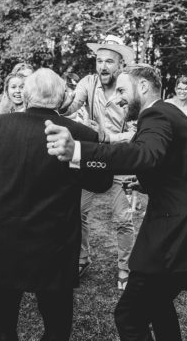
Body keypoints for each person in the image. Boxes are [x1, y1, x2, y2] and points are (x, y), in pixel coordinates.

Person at [45, 64, 187, 341]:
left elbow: (146, 154)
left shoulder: (156, 115)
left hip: (178, 235)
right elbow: (178, 166)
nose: (117, 98)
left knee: (129, 315)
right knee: (157, 305)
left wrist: (79, 151)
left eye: (121, 90)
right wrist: (146, 183)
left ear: (142, 87)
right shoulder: (170, 114)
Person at [0, 68, 112, 341]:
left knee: (1, 322)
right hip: (53, 244)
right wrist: (99, 145)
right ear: (61, 98)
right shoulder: (79, 133)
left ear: (28, 94)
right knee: (56, 324)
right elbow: (102, 183)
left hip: (3, 239)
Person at [58, 35, 137, 289]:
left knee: (123, 219)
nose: (103, 66)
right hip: (92, 160)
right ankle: (82, 258)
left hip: (120, 161)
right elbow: (70, 108)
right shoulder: (88, 82)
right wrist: (60, 101)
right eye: (99, 60)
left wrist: (108, 137)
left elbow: (137, 133)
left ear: (120, 65)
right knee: (78, 212)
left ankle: (126, 267)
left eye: (109, 62)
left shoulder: (131, 88)